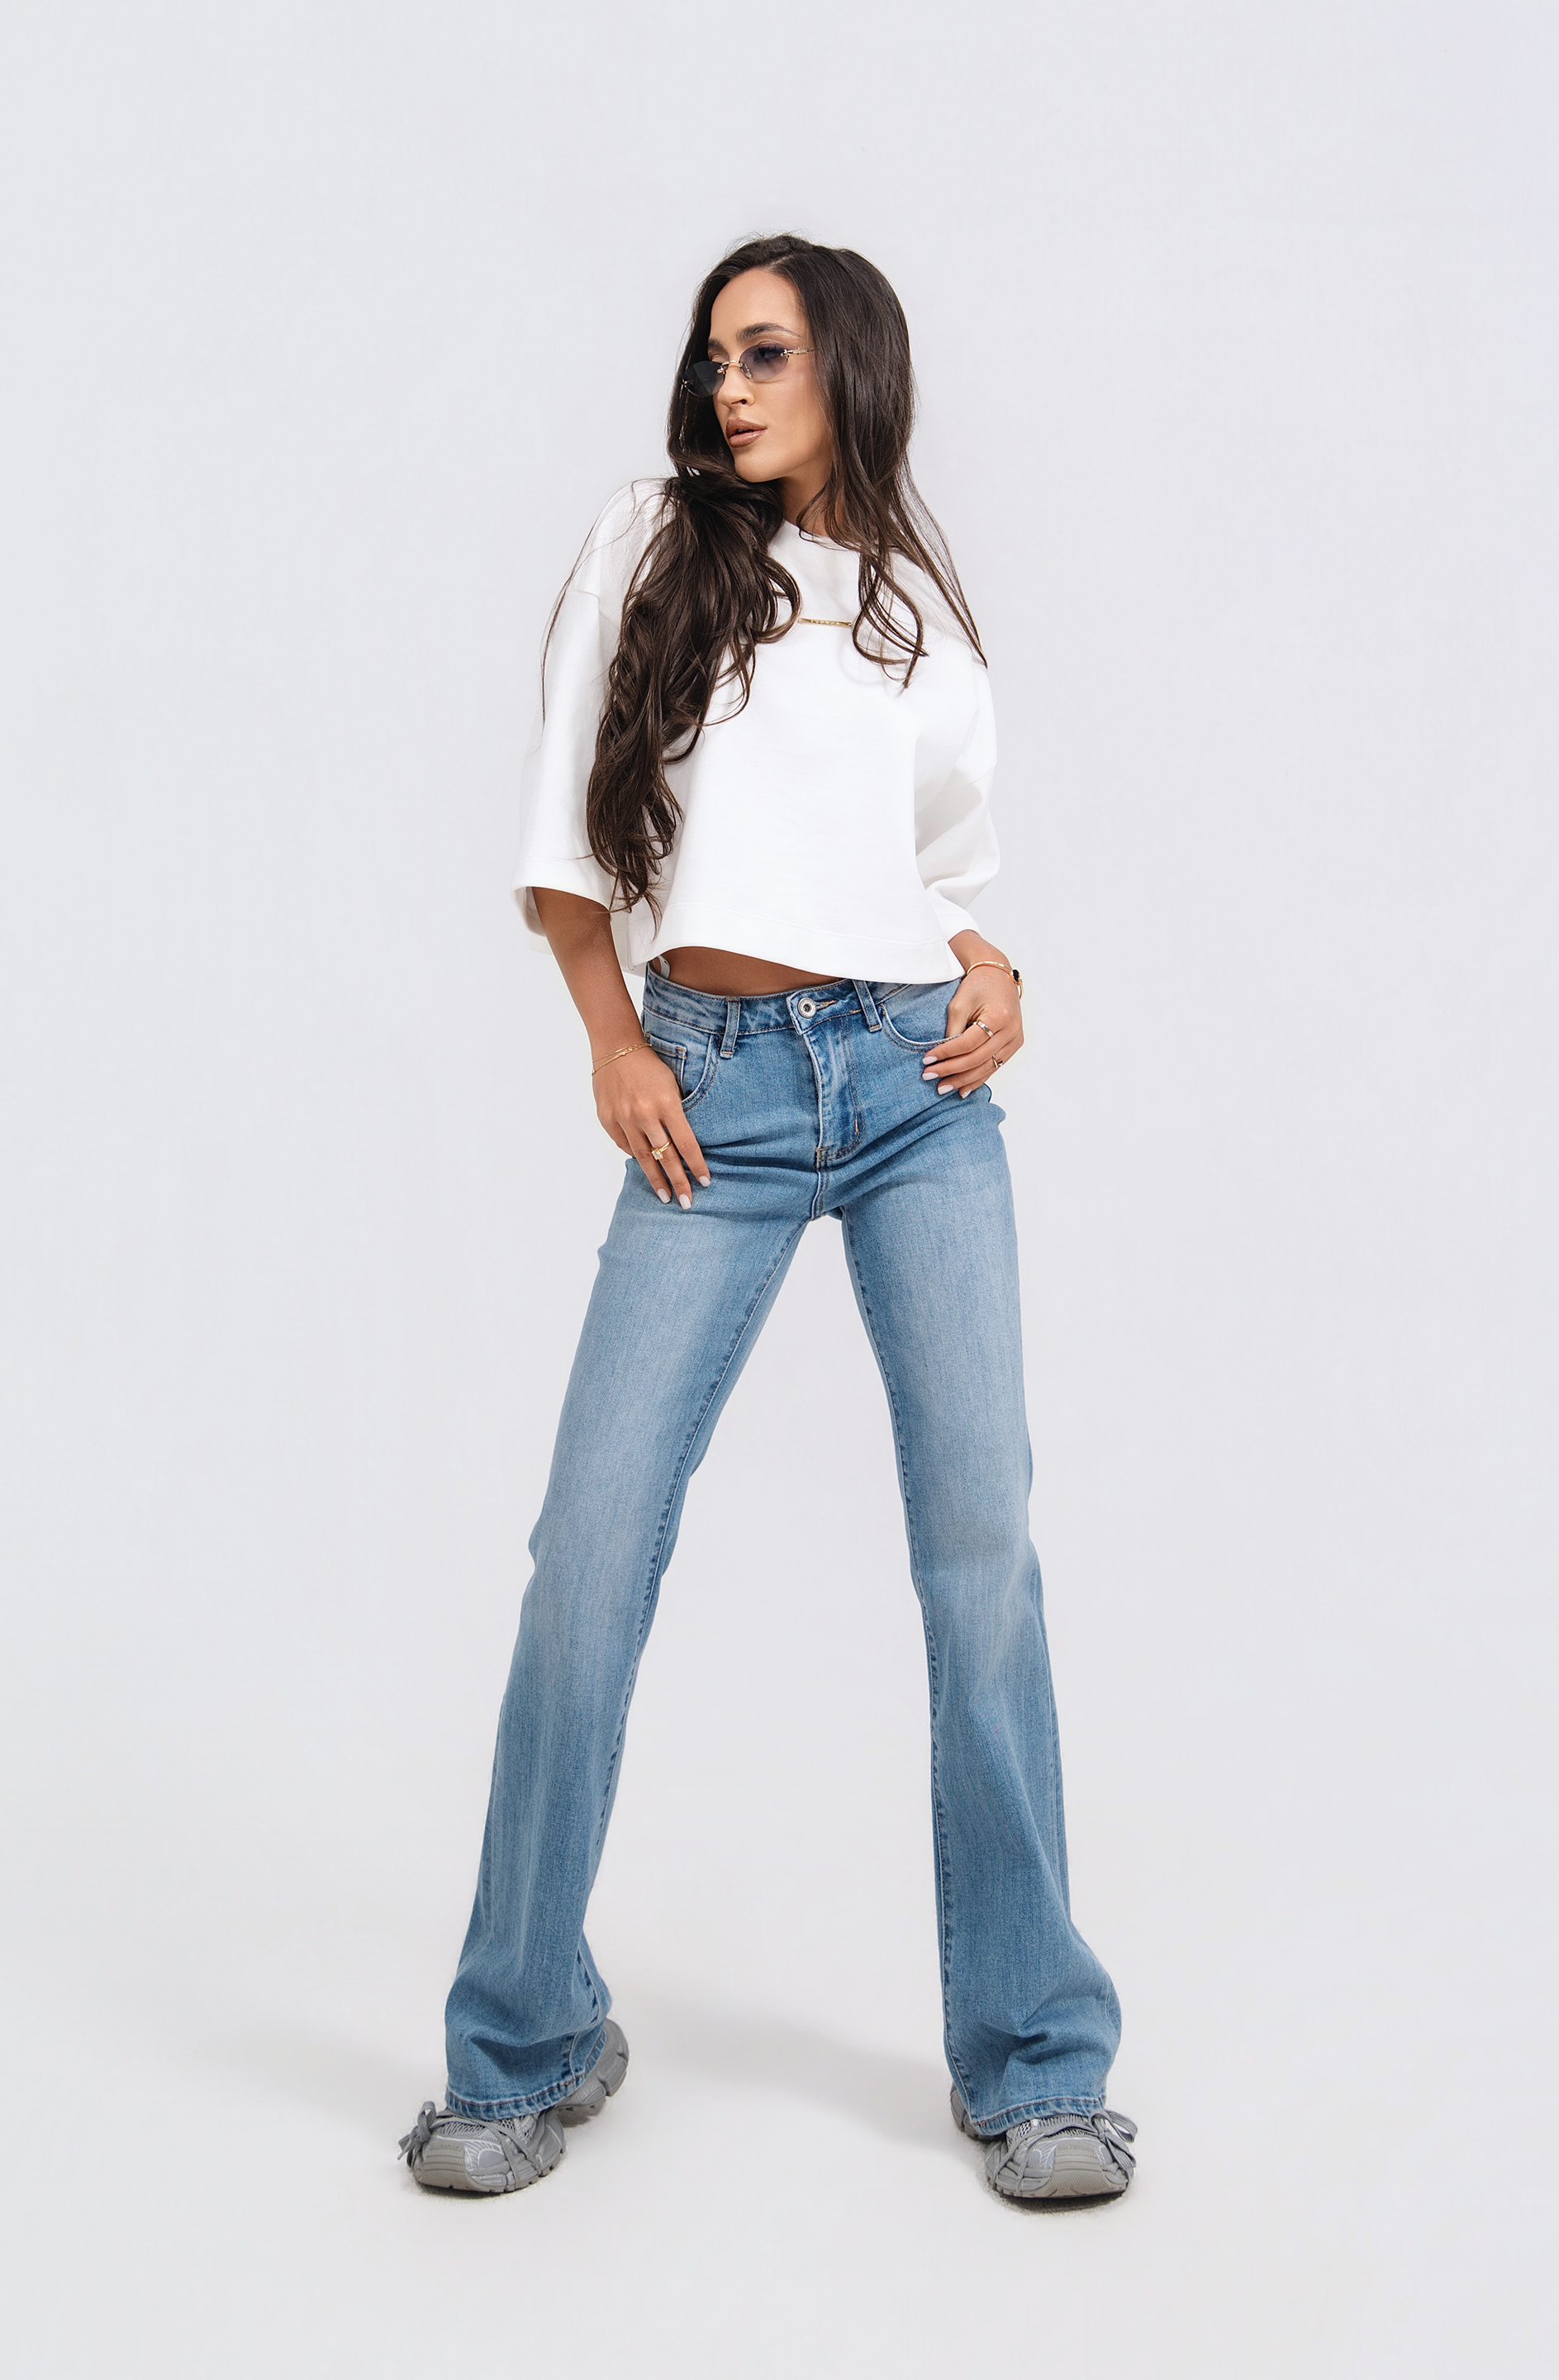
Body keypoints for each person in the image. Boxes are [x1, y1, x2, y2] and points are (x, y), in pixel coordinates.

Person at [398, 235, 1135, 2205]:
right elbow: (566, 839)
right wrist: (608, 1039)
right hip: (708, 1093)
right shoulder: (649, 540)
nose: (728, 388)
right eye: (716, 356)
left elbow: (935, 876)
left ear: (849, 369)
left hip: (913, 1092)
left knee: (981, 1564)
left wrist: (998, 971)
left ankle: (1039, 2061)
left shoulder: (913, 597)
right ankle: (523, 2039)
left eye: (768, 354)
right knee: (589, 1557)